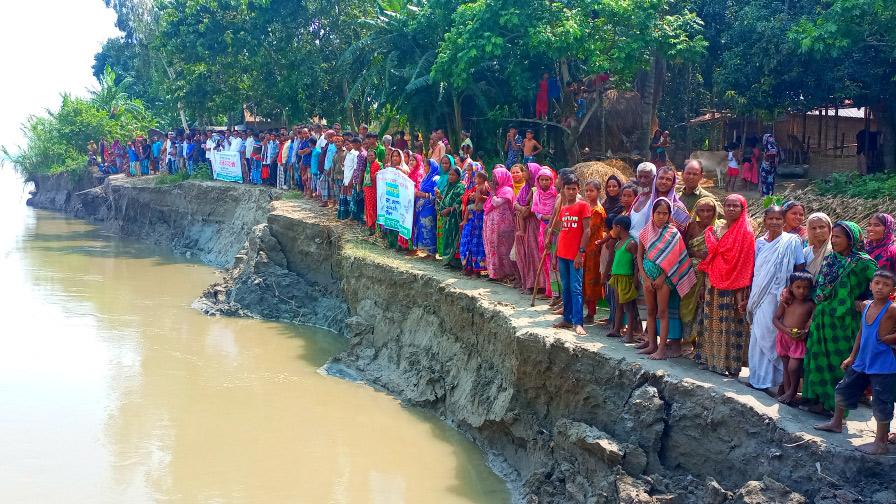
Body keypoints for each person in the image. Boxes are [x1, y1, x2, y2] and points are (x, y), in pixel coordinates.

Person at [815, 270, 896, 455]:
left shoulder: (892, 309)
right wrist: (852, 356)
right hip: (862, 360)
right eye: (877, 283)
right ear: (870, 285)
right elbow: (861, 333)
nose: (880, 287)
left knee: (882, 402)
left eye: (885, 284)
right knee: (843, 389)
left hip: (883, 364)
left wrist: (889, 338)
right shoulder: (867, 306)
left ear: (892, 289)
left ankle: (881, 442)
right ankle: (837, 423)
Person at [803, 221, 878, 415]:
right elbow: (819, 289)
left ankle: (836, 410)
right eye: (833, 237)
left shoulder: (863, 262)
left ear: (850, 239)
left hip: (844, 323)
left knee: (838, 364)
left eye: (838, 237)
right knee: (818, 358)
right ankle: (819, 400)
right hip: (823, 319)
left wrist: (864, 301)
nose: (833, 240)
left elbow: (881, 286)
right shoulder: (831, 260)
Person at [746, 206, 806, 392]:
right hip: (759, 295)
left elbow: (799, 268)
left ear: (783, 221)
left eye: (778, 219)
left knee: (774, 336)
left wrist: (791, 292)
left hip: (782, 296)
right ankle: (758, 379)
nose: (774, 222)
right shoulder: (759, 243)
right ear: (764, 220)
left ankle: (778, 380)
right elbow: (756, 270)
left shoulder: (792, 242)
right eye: (770, 218)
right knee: (758, 334)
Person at [695, 194, 755, 376]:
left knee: (729, 323)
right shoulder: (718, 229)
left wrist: (740, 289)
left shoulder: (746, 232)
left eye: (735, 206)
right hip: (712, 279)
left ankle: (728, 364)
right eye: (728, 205)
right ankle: (709, 359)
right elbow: (712, 255)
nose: (730, 209)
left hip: (733, 284)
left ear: (742, 208)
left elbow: (746, 262)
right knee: (711, 320)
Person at [638, 198, 697, 359]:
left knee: (662, 312)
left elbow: (676, 259)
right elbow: (639, 255)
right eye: (658, 213)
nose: (661, 216)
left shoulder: (673, 234)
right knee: (650, 310)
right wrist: (644, 276)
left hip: (665, 279)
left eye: (665, 213)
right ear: (653, 213)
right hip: (647, 278)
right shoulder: (646, 231)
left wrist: (662, 277)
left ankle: (662, 349)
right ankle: (652, 344)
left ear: (670, 215)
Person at [552, 173, 591, 336]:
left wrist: (580, 253)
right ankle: (567, 319)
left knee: (576, 288)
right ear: (563, 190)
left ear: (578, 189)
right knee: (566, 288)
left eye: (574, 189)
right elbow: (561, 232)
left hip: (575, 255)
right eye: (568, 189)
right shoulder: (563, 209)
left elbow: (587, 231)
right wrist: (555, 255)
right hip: (562, 254)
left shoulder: (583, 206)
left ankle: (578, 322)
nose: (571, 192)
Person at [680, 197, 718, 352]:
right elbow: (683, 249)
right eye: (701, 210)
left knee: (702, 307)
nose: (705, 214)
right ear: (696, 211)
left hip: (709, 275)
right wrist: (696, 252)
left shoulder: (718, 229)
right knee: (687, 306)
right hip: (690, 273)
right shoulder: (691, 227)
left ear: (715, 212)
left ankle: (700, 346)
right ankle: (687, 340)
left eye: (709, 210)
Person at [772, 271, 815, 405]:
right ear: (790, 287)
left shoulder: (811, 304)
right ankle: (787, 392)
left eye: (806, 288)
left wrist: (805, 332)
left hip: (799, 340)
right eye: (798, 287)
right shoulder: (786, 301)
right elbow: (775, 319)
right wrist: (785, 330)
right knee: (786, 367)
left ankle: (793, 391)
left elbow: (811, 322)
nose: (802, 291)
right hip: (784, 338)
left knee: (794, 367)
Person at [607, 216, 642, 341]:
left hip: (626, 278)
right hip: (617, 277)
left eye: (613, 228)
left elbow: (637, 262)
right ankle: (616, 329)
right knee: (618, 305)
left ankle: (630, 335)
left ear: (618, 227)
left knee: (628, 307)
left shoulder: (631, 243)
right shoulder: (618, 243)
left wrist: (635, 278)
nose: (612, 230)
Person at [483, 165, 517, 282]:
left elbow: (497, 202)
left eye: (495, 177)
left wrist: (492, 192)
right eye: (493, 177)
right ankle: (494, 273)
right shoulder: (498, 190)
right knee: (493, 247)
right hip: (493, 226)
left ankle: (506, 273)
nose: (493, 179)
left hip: (503, 227)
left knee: (502, 249)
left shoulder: (507, 190)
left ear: (502, 177)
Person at [514, 163, 543, 295]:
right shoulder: (525, 188)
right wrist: (521, 209)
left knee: (535, 253)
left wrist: (525, 211)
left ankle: (539, 284)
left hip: (535, 225)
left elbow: (533, 208)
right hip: (525, 223)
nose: (524, 173)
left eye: (525, 171)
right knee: (526, 254)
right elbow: (516, 203)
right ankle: (529, 282)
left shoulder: (538, 190)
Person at [531, 168, 558, 298]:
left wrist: (551, 218)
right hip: (543, 228)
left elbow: (559, 210)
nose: (545, 182)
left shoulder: (556, 194)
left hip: (556, 228)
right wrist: (544, 217)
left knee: (554, 259)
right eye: (542, 179)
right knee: (545, 257)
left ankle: (557, 293)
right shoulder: (537, 194)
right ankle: (549, 290)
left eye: (547, 179)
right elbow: (536, 211)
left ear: (551, 180)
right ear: (538, 180)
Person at [582, 181, 607, 324]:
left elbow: (590, 229)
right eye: (586, 191)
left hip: (593, 248)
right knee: (584, 278)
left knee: (591, 279)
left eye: (591, 190)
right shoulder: (587, 207)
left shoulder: (597, 210)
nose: (588, 193)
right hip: (586, 247)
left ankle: (591, 313)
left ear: (598, 192)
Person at [459, 167, 488, 275]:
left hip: (478, 214)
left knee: (468, 208)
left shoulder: (479, 187)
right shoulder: (485, 186)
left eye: (476, 177)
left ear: (480, 178)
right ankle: (473, 268)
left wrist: (475, 203)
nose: (474, 178)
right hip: (480, 213)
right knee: (474, 240)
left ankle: (465, 220)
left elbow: (478, 198)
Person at [438, 166, 464, 268]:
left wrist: (449, 210)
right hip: (447, 218)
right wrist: (440, 197)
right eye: (449, 174)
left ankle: (454, 261)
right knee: (447, 236)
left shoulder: (460, 187)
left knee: (453, 237)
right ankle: (447, 260)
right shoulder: (448, 186)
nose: (450, 177)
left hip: (454, 217)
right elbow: (445, 200)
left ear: (458, 176)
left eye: (453, 175)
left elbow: (460, 201)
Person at [413, 159, 440, 256]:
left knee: (429, 227)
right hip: (421, 207)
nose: (425, 168)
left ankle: (432, 252)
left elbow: (436, 194)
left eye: (426, 166)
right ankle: (426, 251)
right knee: (422, 227)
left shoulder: (436, 178)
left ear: (432, 167)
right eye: (424, 166)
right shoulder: (425, 177)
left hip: (429, 207)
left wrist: (423, 195)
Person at [628, 162, 656, 237]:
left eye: (646, 177)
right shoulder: (638, 197)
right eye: (640, 177)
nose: (642, 180)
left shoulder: (655, 200)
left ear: (654, 178)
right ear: (636, 177)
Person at [363, 136, 383, 232]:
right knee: (368, 206)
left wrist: (376, 176)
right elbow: (365, 178)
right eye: (369, 155)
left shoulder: (379, 165)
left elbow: (381, 176)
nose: (370, 157)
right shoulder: (367, 166)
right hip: (367, 189)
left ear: (375, 156)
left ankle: (374, 227)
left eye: (372, 155)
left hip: (375, 189)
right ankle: (370, 225)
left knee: (374, 207)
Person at [338, 136, 360, 220]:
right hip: (346, 179)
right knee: (346, 198)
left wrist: (352, 180)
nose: (346, 146)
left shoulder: (355, 154)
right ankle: (345, 215)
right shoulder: (347, 154)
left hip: (351, 180)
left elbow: (355, 169)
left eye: (348, 144)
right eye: (345, 145)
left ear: (352, 144)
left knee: (351, 199)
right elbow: (346, 168)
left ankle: (352, 216)